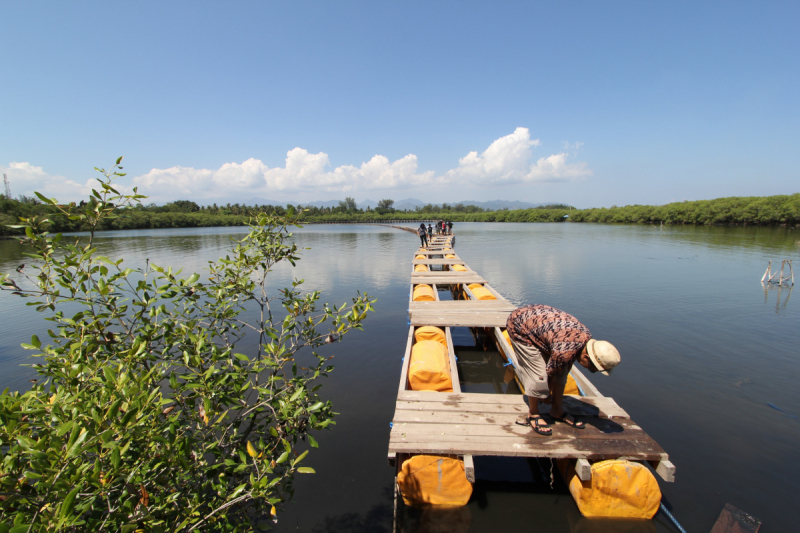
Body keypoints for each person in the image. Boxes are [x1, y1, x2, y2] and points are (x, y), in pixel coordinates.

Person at [506, 304, 620, 436]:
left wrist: (551, 394)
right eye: (592, 369)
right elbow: (550, 374)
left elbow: (561, 370)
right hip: (519, 325)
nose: (592, 371)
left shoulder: (584, 339)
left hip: (543, 326)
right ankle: (534, 413)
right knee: (538, 375)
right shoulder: (565, 350)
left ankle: (557, 410)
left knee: (562, 370)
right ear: (586, 356)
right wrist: (546, 395)